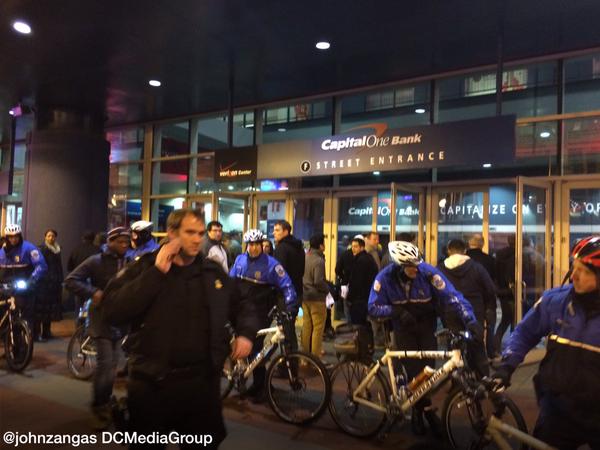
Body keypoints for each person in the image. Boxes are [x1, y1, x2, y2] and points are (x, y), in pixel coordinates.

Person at [102, 209, 259, 449]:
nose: (197, 239)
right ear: (172, 233)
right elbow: (112, 310)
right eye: (190, 232)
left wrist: (246, 334)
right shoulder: (145, 267)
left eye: (200, 233)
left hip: (201, 386)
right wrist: (156, 273)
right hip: (153, 386)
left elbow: (243, 304)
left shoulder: (211, 272)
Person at [493, 236, 600, 449]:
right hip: (558, 411)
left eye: (583, 271)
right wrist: (507, 365)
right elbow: (524, 332)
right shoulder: (555, 301)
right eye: (574, 267)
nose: (574, 276)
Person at [369, 241, 478, 437]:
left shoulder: (427, 272)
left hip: (426, 327)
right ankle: (421, 412)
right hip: (403, 329)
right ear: (399, 266)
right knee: (414, 372)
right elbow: (373, 307)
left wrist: (470, 320)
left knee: (428, 372)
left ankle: (421, 409)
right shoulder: (384, 278)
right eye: (411, 266)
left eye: (417, 264)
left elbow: (452, 296)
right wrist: (396, 311)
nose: (416, 269)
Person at [65, 227, 131, 430]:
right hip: (101, 319)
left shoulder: (128, 261)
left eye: (127, 241)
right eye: (120, 241)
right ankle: (99, 405)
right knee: (105, 365)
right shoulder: (96, 261)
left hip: (119, 319)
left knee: (112, 366)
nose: (125, 245)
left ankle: (105, 401)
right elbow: (71, 280)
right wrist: (93, 292)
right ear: (110, 241)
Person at [229, 228, 297, 403]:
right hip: (240, 308)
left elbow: (287, 286)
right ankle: (251, 380)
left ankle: (261, 385)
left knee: (257, 347)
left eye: (257, 244)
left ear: (262, 245)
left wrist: (290, 306)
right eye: (251, 244)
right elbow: (230, 282)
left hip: (260, 310)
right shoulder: (239, 260)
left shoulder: (272, 264)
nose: (253, 248)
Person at [438, 239, 495, 375]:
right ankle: (483, 377)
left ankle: (456, 379)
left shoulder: (440, 269)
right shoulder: (476, 267)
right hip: (474, 311)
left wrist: (440, 311)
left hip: (451, 312)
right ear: (465, 251)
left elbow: (436, 292)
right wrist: (489, 308)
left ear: (449, 251)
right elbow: (490, 289)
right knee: (477, 345)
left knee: (454, 347)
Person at [0, 224, 47, 332]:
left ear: (20, 236)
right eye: (10, 237)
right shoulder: (2, 251)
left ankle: (27, 334)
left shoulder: (29, 248)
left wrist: (32, 279)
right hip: (5, 287)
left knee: (27, 313)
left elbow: (41, 265)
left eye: (16, 236)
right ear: (7, 237)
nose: (13, 239)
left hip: (24, 287)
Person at [273, 220, 304, 351]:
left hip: (285, 294)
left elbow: (278, 273)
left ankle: (289, 360)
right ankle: (292, 358)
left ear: (286, 231)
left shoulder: (281, 248)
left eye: (277, 230)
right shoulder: (299, 247)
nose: (274, 233)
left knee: (286, 331)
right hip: (297, 292)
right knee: (290, 328)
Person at [466, 233, 498, 357]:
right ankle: (490, 352)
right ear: (482, 244)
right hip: (487, 300)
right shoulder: (489, 260)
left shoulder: (464, 259)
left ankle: (469, 353)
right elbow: (493, 281)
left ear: (469, 243)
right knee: (489, 326)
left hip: (467, 299)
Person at [302, 234, 328, 361]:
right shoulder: (319, 261)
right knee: (318, 329)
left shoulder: (304, 258)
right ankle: (315, 359)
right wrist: (327, 289)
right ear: (320, 246)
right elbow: (318, 281)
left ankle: (304, 358)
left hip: (305, 296)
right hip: (317, 298)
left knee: (306, 327)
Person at [36, 229, 64, 341]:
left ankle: (47, 331)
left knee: (49, 309)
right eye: (49, 236)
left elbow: (58, 266)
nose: (51, 238)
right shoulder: (42, 249)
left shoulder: (57, 249)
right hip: (43, 284)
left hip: (54, 284)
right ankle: (37, 333)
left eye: (53, 236)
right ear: (45, 237)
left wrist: (60, 279)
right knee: (40, 309)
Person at [346, 236, 378, 326]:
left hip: (360, 299)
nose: (353, 249)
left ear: (362, 247)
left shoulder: (361, 261)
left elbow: (357, 282)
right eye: (352, 246)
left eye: (356, 247)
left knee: (358, 325)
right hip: (366, 297)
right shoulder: (367, 258)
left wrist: (350, 297)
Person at [494, 234, 516, 354]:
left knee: (506, 320)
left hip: (503, 292)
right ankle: (513, 346)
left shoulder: (499, 255)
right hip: (513, 291)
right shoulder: (518, 255)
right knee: (514, 320)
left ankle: (496, 345)